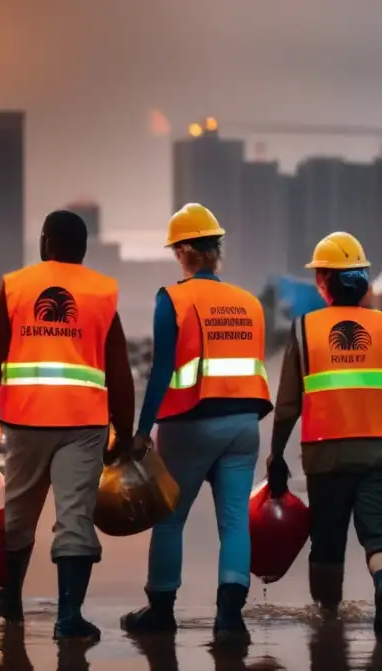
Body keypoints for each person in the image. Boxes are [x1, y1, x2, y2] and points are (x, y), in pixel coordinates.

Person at [0, 210, 135, 643]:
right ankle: (69, 617)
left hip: (26, 420)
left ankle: (11, 599)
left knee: (17, 514)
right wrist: (124, 433)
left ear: (45, 242)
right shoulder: (101, 292)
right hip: (84, 424)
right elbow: (120, 371)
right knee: (75, 517)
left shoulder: (16, 286)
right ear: (83, 248)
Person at [266, 231, 382, 635]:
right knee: (381, 533)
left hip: (326, 455)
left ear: (324, 281)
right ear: (362, 280)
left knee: (327, 540)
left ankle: (328, 620)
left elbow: (288, 404)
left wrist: (276, 456)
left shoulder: (305, 330)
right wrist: (381, 402)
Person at [120, 203, 272, 644]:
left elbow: (162, 368)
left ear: (185, 250)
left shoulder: (173, 299)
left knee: (169, 519)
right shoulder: (249, 303)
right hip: (245, 424)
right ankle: (229, 619)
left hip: (190, 425)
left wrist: (142, 429)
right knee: (234, 522)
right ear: (216, 249)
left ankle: (161, 611)